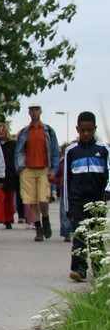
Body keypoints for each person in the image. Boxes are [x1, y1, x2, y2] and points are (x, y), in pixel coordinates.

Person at [62, 112, 110, 281]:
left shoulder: (104, 150)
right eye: (83, 130)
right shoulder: (71, 151)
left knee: (96, 235)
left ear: (95, 129)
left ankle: (98, 268)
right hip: (77, 201)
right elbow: (66, 181)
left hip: (98, 200)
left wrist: (107, 192)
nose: (87, 133)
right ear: (77, 129)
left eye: (90, 130)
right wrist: (67, 207)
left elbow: (109, 174)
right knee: (79, 235)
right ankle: (79, 268)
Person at [15, 104, 60, 242]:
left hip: (44, 168)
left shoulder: (48, 131)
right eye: (32, 110)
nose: (34, 112)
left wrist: (54, 169)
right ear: (29, 112)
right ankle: (38, 228)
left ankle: (45, 218)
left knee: (43, 198)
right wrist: (19, 168)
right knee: (31, 200)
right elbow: (18, 151)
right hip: (27, 168)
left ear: (40, 111)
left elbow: (55, 151)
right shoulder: (24, 132)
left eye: (36, 110)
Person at [0, 122, 18, 229]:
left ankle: (8, 219)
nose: (1, 132)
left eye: (3, 130)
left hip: (10, 174)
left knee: (9, 199)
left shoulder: (13, 144)